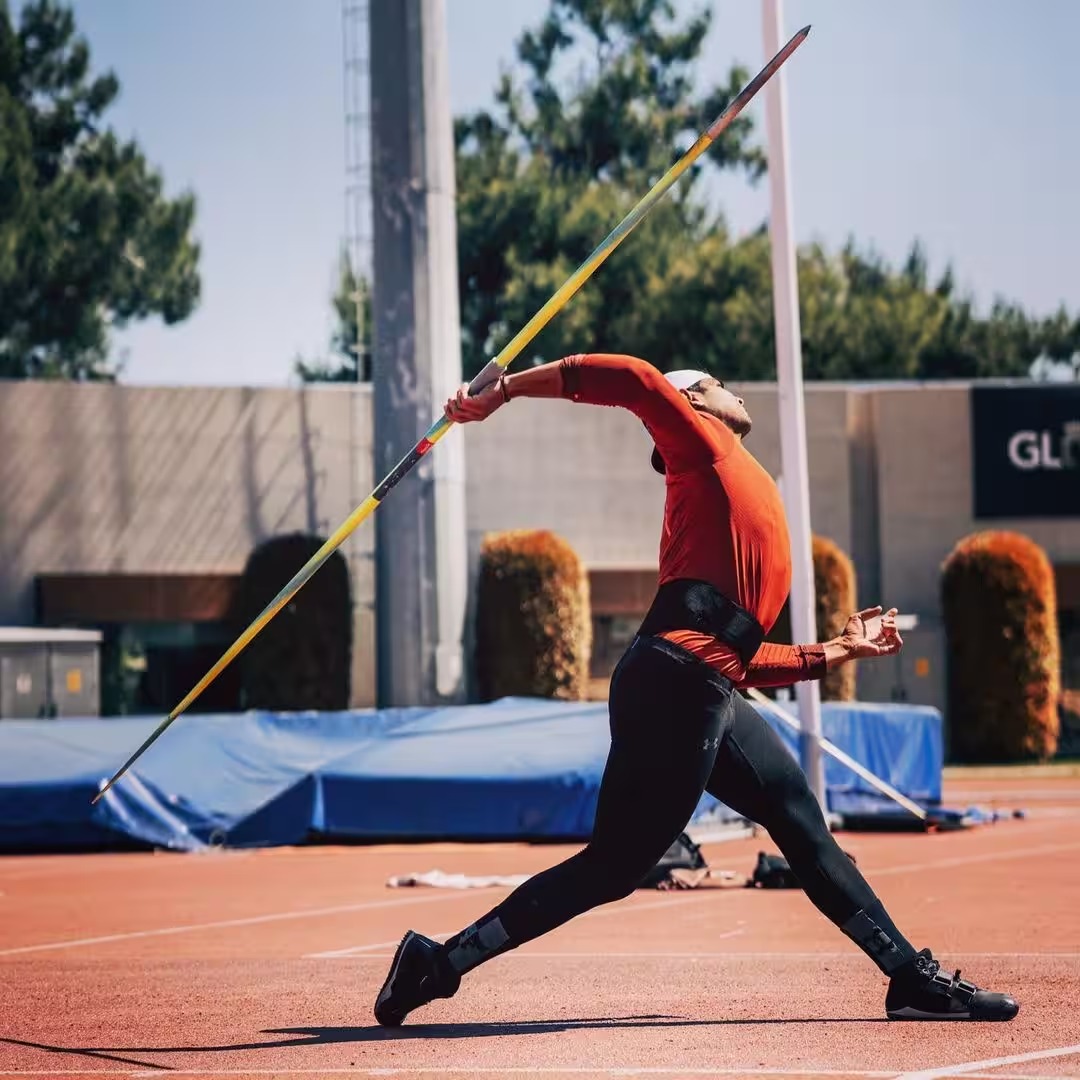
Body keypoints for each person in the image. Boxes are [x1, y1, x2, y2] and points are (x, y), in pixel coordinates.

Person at [373, 353, 1019, 1026]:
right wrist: (505, 391)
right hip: (679, 685)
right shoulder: (704, 446)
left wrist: (840, 649)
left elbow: (737, 661)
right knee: (615, 868)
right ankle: (439, 964)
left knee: (798, 822)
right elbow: (632, 379)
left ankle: (909, 976)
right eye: (716, 384)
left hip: (696, 681)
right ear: (697, 406)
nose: (733, 390)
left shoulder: (724, 486)